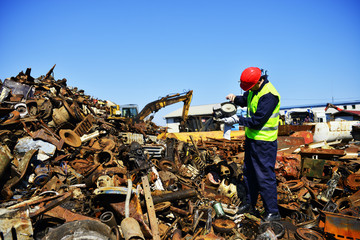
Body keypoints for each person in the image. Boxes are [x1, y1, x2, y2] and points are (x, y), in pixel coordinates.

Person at [219, 67, 281, 222]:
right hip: (252, 140)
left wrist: (237, 120)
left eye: (249, 87)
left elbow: (257, 121)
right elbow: (245, 100)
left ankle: (273, 212)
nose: (248, 91)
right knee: (249, 174)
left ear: (257, 81)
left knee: (265, 177)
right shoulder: (254, 89)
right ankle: (250, 204)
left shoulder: (269, 96)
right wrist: (234, 99)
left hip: (265, 143)